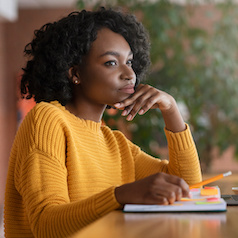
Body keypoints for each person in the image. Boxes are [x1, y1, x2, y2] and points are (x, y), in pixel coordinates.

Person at [4, 7, 202, 238]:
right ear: (75, 73)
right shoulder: (47, 119)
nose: (129, 73)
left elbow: (189, 187)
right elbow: (46, 225)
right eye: (111, 63)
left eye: (129, 61)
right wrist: (120, 195)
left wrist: (171, 110)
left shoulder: (114, 142)